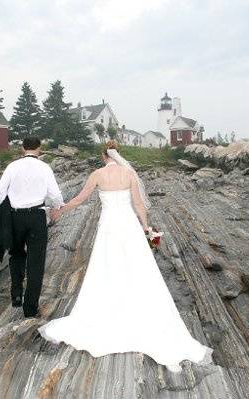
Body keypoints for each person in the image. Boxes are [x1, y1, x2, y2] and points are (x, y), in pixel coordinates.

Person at [39, 140, 214, 372]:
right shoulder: (130, 173)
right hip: (129, 226)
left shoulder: (97, 174)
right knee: (138, 268)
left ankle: (110, 309)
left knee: (107, 268)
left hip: (109, 227)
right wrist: (146, 227)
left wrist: (60, 210)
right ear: (117, 154)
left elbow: (81, 199)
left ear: (104, 156)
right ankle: (139, 310)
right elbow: (139, 203)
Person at [0, 136, 64, 317]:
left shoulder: (13, 166)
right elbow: (54, 193)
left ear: (23, 148)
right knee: (36, 262)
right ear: (39, 148)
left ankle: (16, 294)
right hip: (36, 216)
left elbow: (0, 190)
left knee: (16, 254)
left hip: (15, 217)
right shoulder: (45, 167)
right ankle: (30, 308)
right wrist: (57, 207)